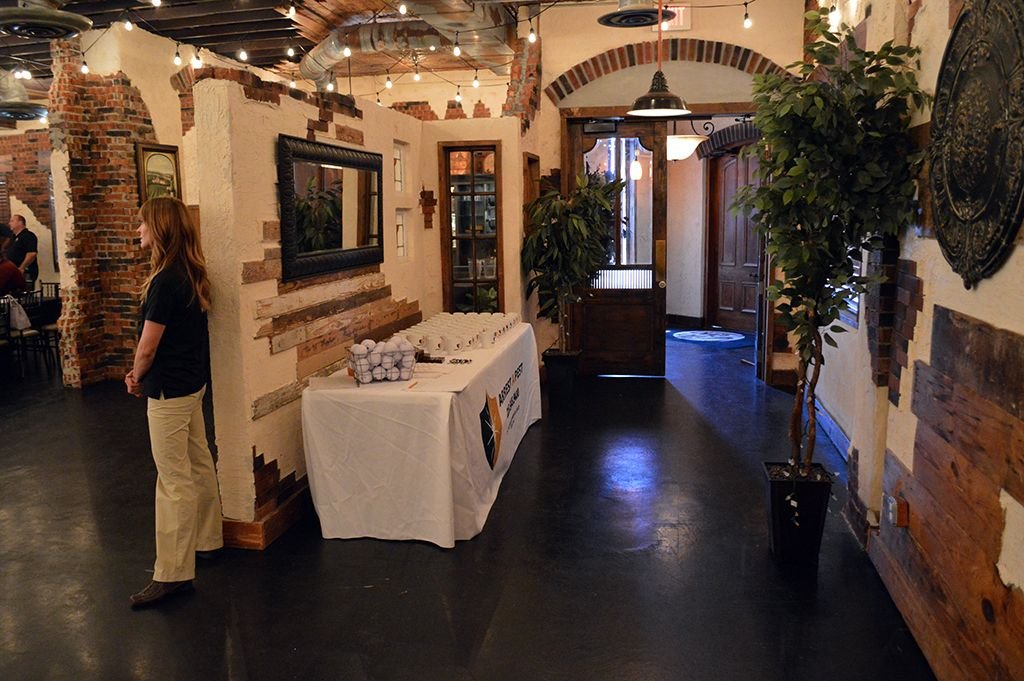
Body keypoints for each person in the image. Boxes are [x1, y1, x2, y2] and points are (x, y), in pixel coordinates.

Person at [125, 196, 223, 609]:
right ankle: (208, 540)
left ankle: (173, 574)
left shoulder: (166, 280)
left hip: (169, 391)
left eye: (144, 224)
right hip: (192, 384)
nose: (139, 230)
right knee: (198, 462)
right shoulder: (189, 272)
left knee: (172, 481)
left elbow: (148, 347)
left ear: (161, 229)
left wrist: (135, 376)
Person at [7, 215, 38, 285]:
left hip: (25, 272)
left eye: (12, 221)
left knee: (24, 290)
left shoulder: (28, 236)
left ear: (20, 222)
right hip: (13, 272)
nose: (9, 223)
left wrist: (22, 268)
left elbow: (32, 254)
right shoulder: (13, 237)